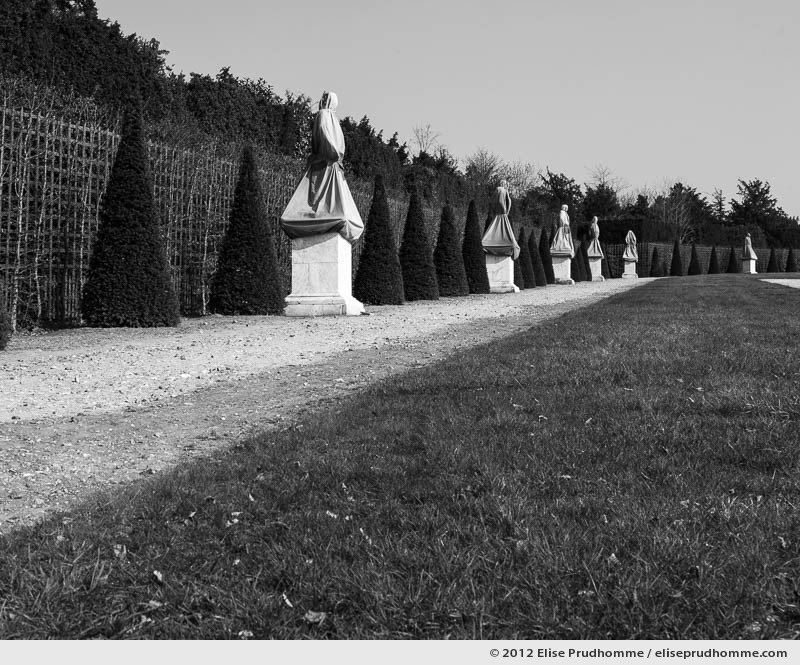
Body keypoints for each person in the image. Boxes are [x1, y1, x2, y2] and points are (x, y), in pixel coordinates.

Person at [280, 91, 363, 242]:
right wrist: (336, 154)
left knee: (318, 199)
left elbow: (325, 135)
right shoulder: (333, 118)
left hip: (325, 163)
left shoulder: (323, 115)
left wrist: (331, 153)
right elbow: (336, 143)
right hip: (332, 165)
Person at [481, 180, 519, 259]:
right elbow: (503, 201)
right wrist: (505, 210)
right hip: (502, 214)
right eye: (506, 184)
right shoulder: (503, 190)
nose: (507, 186)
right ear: (504, 184)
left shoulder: (498, 190)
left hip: (498, 214)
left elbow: (495, 201)